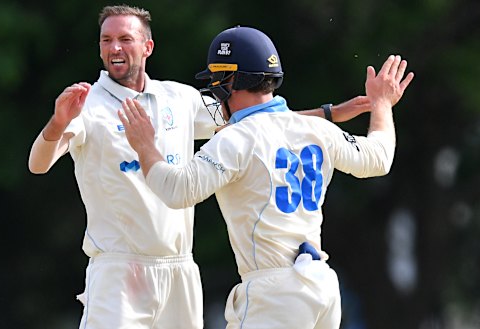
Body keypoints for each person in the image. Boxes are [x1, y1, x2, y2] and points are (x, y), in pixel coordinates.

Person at [28, 5, 375, 329]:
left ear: (147, 46)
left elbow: (256, 121)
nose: (114, 48)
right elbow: (38, 164)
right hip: (119, 269)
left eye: (124, 39)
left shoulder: (179, 98)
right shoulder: (88, 105)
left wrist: (328, 114)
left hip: (179, 268)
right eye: (107, 40)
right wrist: (58, 124)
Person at [118, 26, 414, 329]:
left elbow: (176, 190)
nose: (215, 89)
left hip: (274, 293)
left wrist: (145, 146)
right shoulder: (316, 129)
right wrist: (381, 105)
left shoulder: (235, 139)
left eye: (218, 78)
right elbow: (379, 158)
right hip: (322, 286)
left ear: (233, 79)